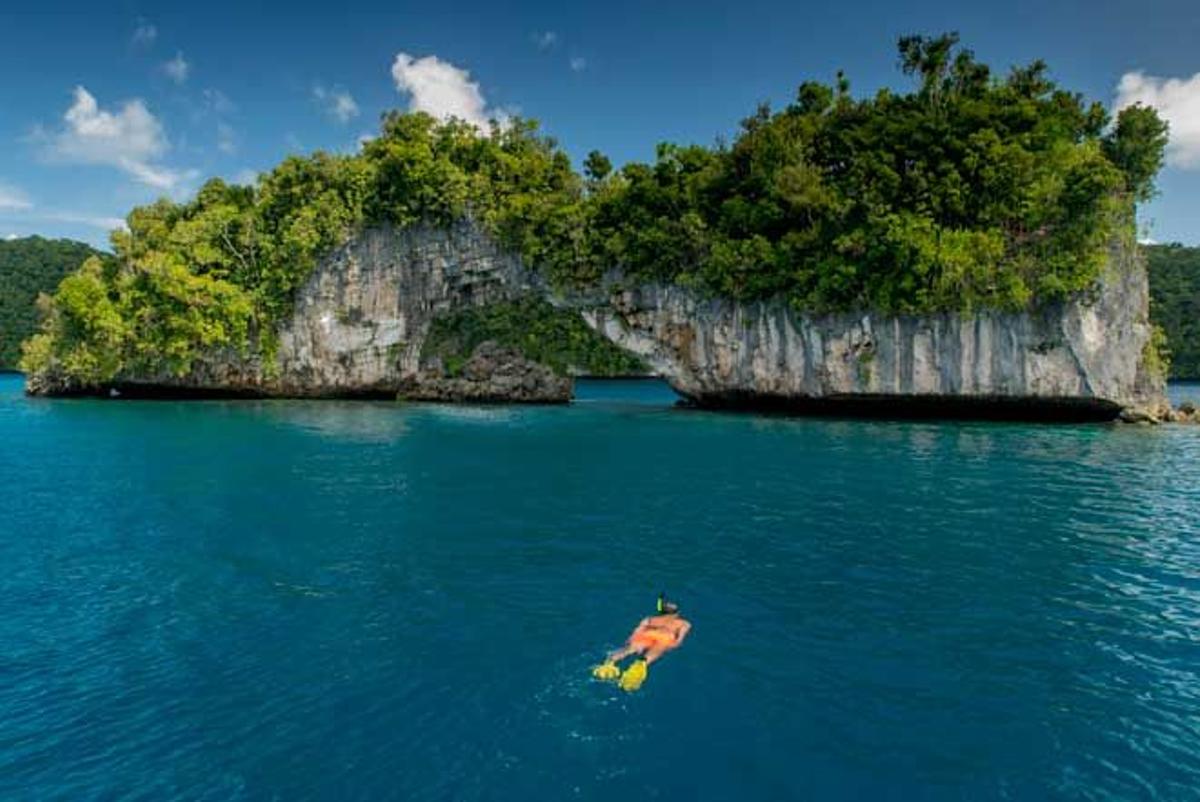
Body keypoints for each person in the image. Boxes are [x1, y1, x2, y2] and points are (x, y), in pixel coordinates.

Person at [592, 594, 691, 691]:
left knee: (629, 650)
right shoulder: (684, 623)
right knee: (655, 651)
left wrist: (630, 642)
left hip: (647, 634)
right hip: (665, 637)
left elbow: (636, 632)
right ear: (677, 613)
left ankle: (610, 663)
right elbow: (678, 641)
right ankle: (641, 663)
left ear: (661, 611)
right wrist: (671, 646)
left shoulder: (649, 619)